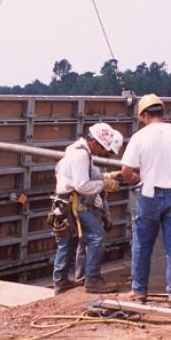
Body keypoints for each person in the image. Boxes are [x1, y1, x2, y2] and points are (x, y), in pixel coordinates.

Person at [121, 94, 171, 306]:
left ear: (145, 115)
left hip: (148, 194)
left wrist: (134, 179)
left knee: (142, 244)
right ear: (163, 113)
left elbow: (126, 171)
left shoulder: (139, 137)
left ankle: (139, 292)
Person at [52, 122, 123, 295]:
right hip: (75, 203)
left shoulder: (76, 150)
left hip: (65, 203)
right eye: (105, 150)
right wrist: (104, 184)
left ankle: (60, 281)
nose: (104, 154)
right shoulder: (81, 155)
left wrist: (106, 176)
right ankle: (93, 280)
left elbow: (84, 175)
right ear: (96, 143)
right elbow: (82, 185)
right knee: (97, 236)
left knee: (68, 241)